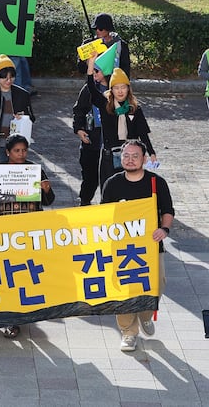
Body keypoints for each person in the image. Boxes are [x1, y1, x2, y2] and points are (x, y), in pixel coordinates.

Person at [0, 133, 54, 339]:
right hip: (3, 231)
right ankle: (8, 316)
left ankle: (23, 310)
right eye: (17, 151)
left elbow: (48, 201)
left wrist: (47, 190)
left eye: (24, 150)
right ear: (8, 152)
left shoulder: (35, 170)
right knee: (6, 273)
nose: (21, 154)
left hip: (28, 231)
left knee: (25, 271)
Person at [101, 139, 174, 352]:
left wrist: (164, 230)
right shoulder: (112, 183)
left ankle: (145, 314)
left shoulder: (156, 183)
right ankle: (128, 332)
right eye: (126, 156)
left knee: (157, 287)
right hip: (123, 247)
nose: (130, 160)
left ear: (143, 159)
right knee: (125, 290)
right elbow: (104, 215)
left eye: (135, 156)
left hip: (151, 247)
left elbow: (168, 211)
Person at [86, 57, 156, 189]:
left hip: (129, 156)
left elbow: (143, 133)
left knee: (129, 191)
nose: (120, 91)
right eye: (116, 88)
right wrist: (91, 66)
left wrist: (151, 152)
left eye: (123, 87)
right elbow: (92, 89)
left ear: (128, 89)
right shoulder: (106, 105)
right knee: (109, 192)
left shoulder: (134, 108)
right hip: (109, 156)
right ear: (111, 90)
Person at [0, 55, 35, 164]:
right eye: (4, 77)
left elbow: (31, 117)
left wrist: (23, 117)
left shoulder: (22, 94)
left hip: (15, 145)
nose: (8, 80)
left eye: (12, 77)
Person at [72, 63, 108, 205]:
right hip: (91, 140)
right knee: (89, 177)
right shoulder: (88, 89)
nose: (94, 74)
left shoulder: (117, 89)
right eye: (92, 71)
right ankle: (84, 202)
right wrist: (79, 129)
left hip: (109, 143)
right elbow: (78, 110)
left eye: (97, 71)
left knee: (108, 178)